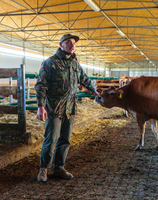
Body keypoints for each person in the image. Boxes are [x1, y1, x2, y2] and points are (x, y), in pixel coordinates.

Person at [35, 33, 100, 182]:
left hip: (70, 109)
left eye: (74, 43)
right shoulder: (50, 63)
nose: (72, 45)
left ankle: (59, 168)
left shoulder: (75, 63)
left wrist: (93, 89)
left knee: (65, 140)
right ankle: (44, 168)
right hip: (54, 109)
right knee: (51, 139)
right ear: (60, 45)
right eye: (69, 42)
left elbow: (84, 78)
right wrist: (40, 106)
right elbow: (41, 85)